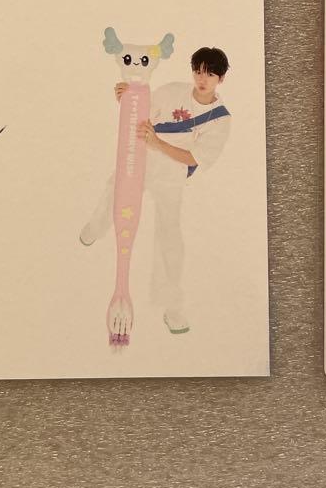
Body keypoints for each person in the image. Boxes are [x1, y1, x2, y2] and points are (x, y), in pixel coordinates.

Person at [80, 46, 231, 335]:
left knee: (168, 234)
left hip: (172, 172)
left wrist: (158, 143)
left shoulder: (221, 118)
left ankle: (172, 306)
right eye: (198, 72)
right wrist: (127, 97)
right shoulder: (172, 91)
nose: (202, 79)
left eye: (210, 74)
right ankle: (96, 228)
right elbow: (141, 114)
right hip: (140, 158)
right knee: (114, 190)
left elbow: (194, 158)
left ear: (220, 79)